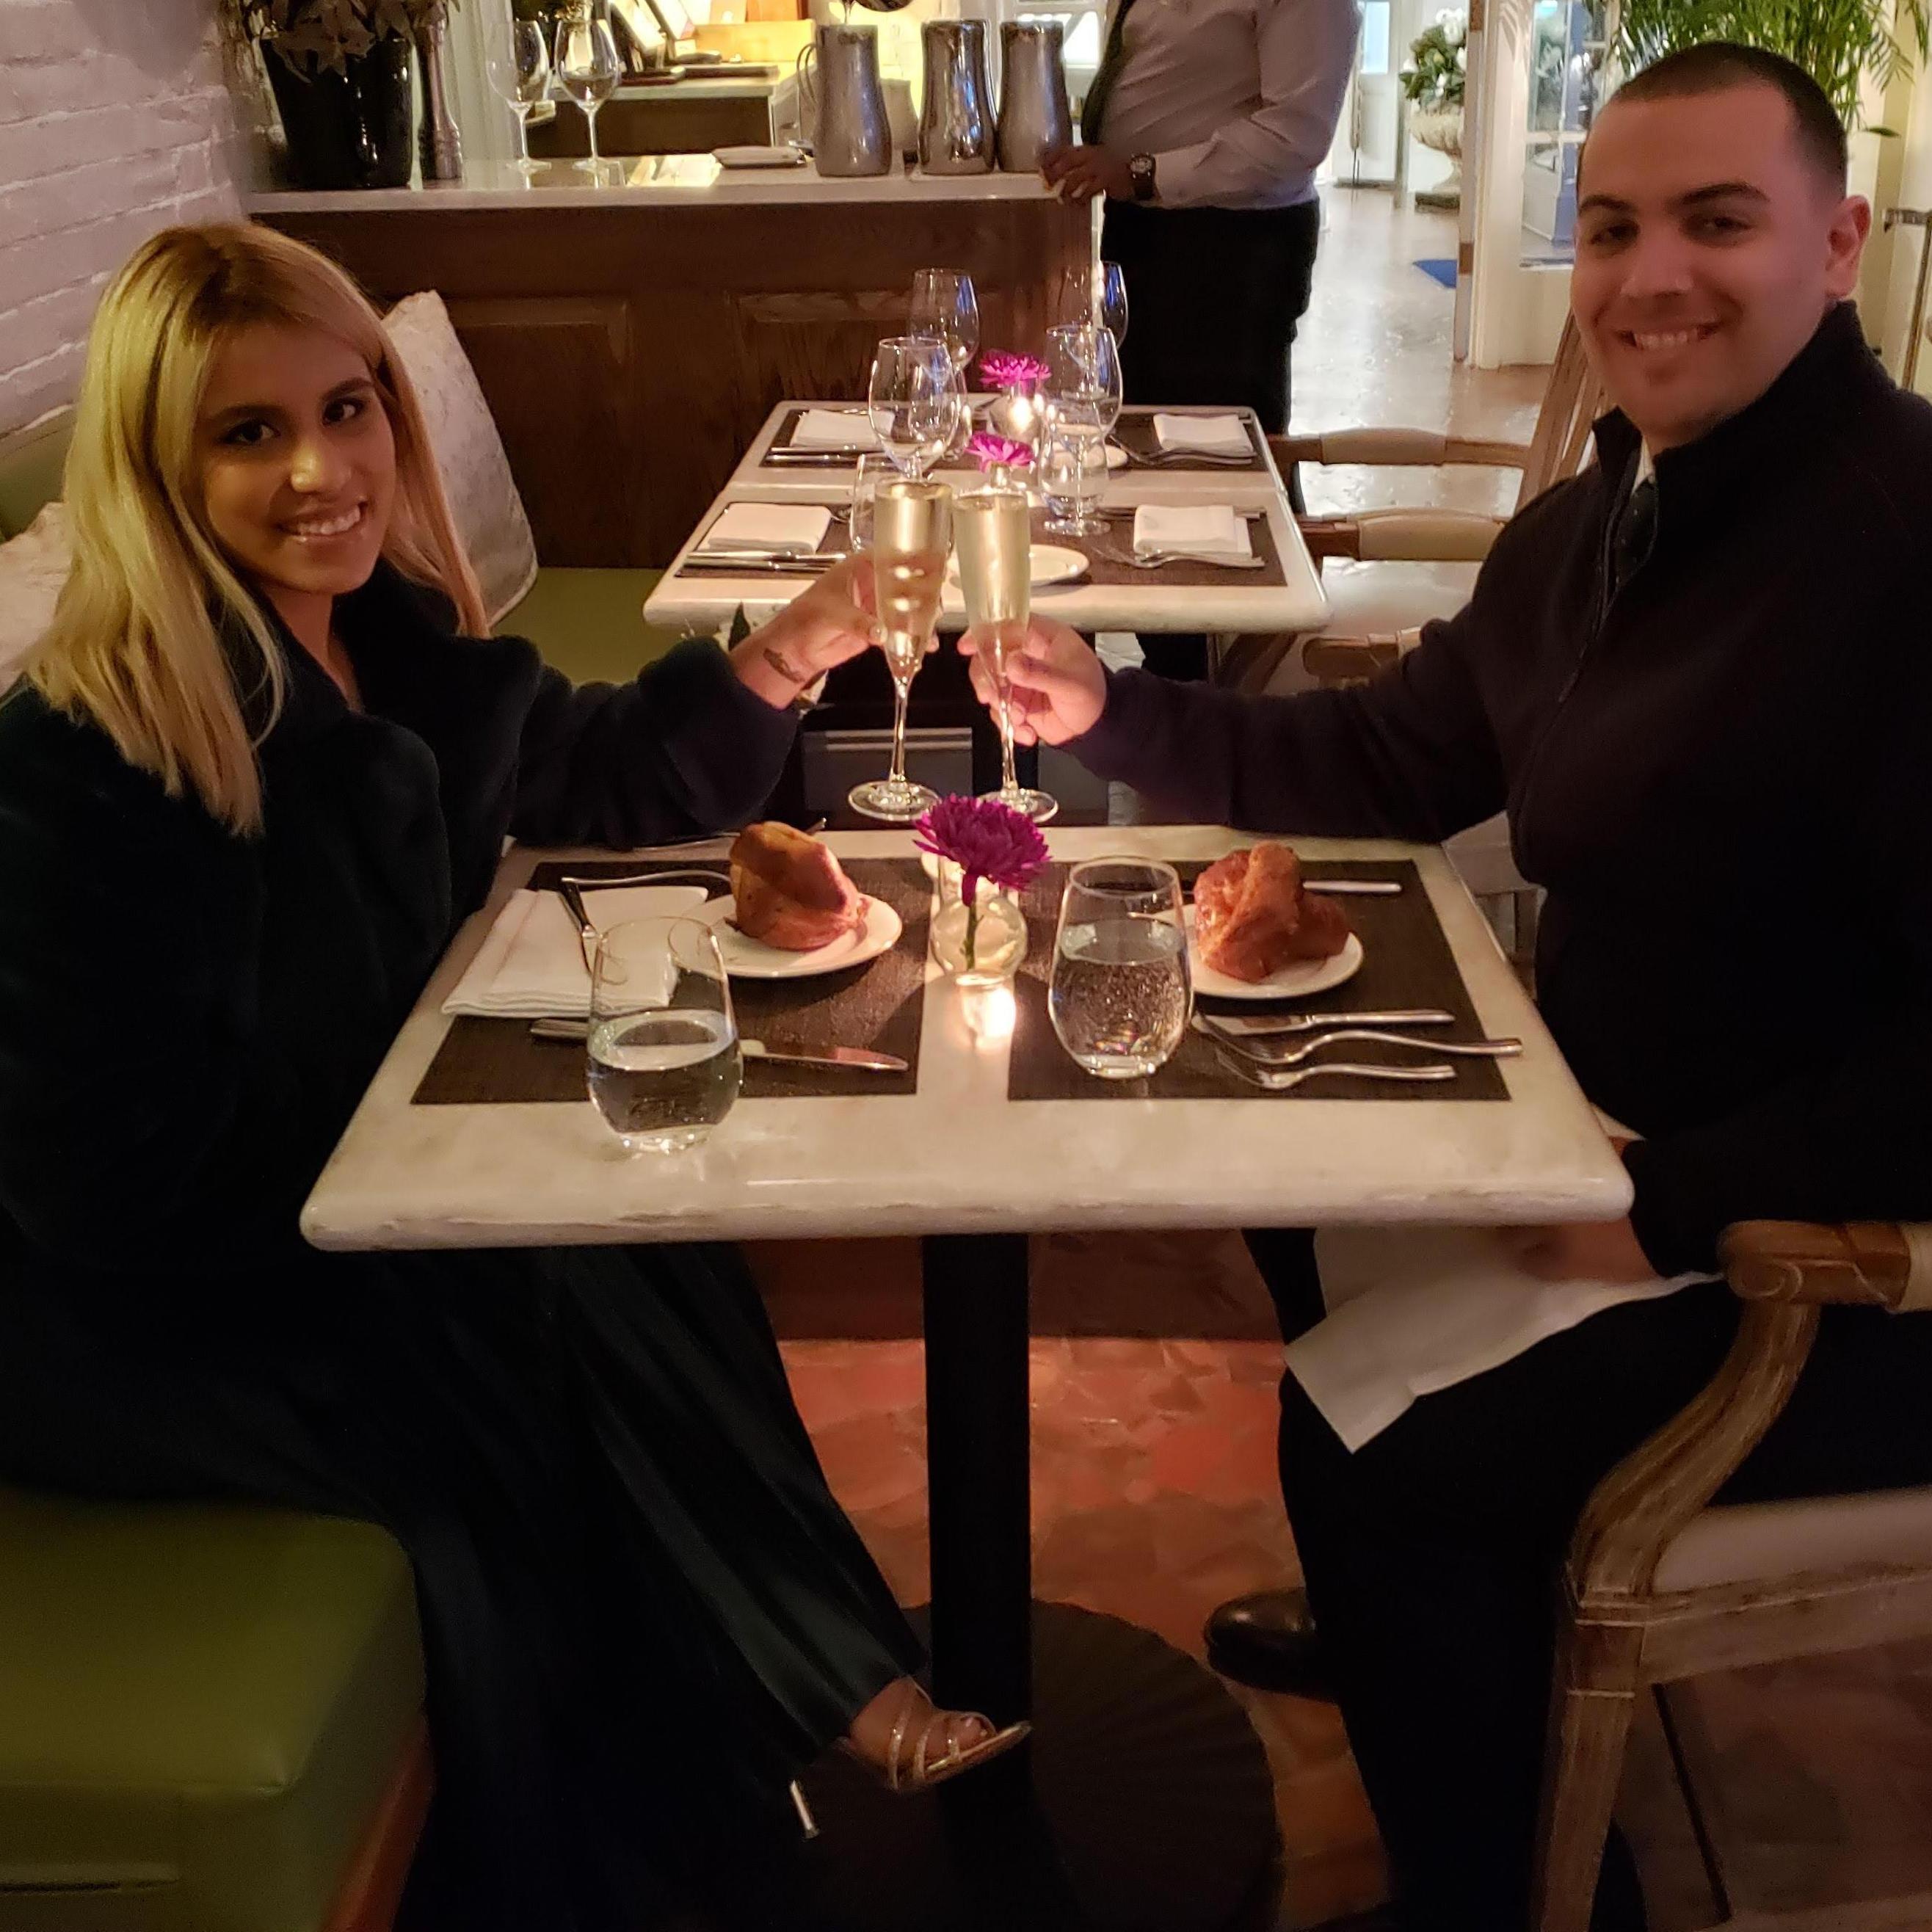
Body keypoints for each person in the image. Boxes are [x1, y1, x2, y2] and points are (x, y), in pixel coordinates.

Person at [969, 46, 1932, 1930]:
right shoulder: (1613, 517)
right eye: (1613, 228)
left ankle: (1497, 1877)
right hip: (1611, 1129)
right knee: (1287, 1171)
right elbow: (1393, 757)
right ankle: (1440, 1646)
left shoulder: (1898, 552)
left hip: (1834, 1262)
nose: (1652, 275)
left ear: (1837, 243)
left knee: (1377, 1458)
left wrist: (1665, 1202)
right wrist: (1108, 710)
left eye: (1717, 222)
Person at [0, 222, 1025, 1932]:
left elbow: (600, 769)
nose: (322, 469)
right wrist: (421, 1187)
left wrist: (799, 638)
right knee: (516, 1344)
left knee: (645, 1240)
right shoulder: (85, 756)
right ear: (155, 465)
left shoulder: (382, 639)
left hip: (357, 1201)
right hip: (136, 1315)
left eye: (346, 409)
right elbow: (96, 1189)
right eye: (249, 433)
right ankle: (698, 1790)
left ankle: (792, 1716)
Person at [1043, 0, 1357, 679]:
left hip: (1229, 245)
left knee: (1218, 467)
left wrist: (1143, 171)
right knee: (1150, 458)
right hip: (1151, 225)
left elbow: (1297, 133)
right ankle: (1180, 670)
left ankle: (1247, 676)